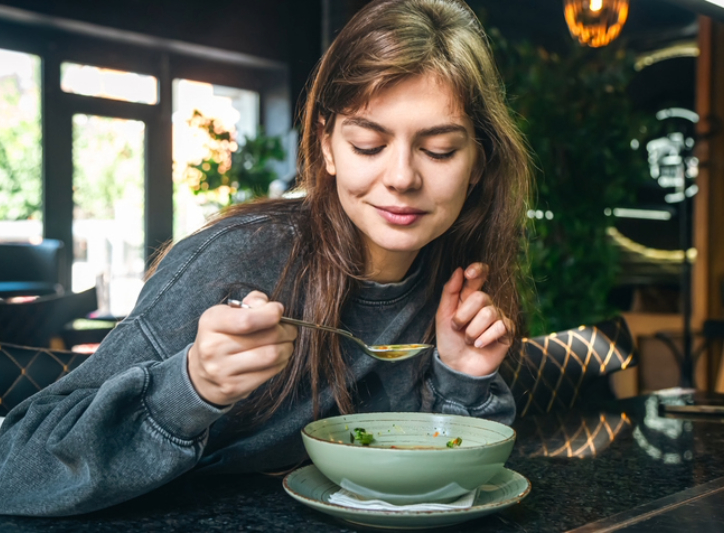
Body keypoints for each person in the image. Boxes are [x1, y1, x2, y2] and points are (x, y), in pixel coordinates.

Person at [0, 0, 530, 516]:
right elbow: (13, 467)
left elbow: (440, 485)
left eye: (438, 150)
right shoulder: (233, 262)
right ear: (326, 147)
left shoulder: (451, 282)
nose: (401, 177)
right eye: (368, 144)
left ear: (478, 163)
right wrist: (191, 385)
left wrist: (460, 376)